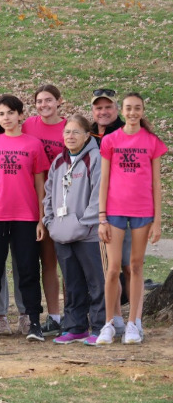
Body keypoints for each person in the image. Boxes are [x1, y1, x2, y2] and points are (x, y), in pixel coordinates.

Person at [0, 94, 50, 342]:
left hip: (26, 216)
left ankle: (34, 323)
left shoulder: (33, 144)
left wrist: (40, 219)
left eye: (10, 113)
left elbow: (41, 184)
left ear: (20, 115)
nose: (6, 118)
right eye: (2, 114)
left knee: (28, 270)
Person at [96, 93, 166, 345]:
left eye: (138, 108)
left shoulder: (152, 142)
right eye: (129, 108)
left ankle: (134, 324)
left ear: (143, 111)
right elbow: (104, 181)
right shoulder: (111, 140)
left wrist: (157, 221)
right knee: (113, 268)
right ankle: (108, 324)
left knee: (135, 266)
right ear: (121, 110)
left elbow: (157, 184)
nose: (133, 112)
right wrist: (101, 217)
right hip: (114, 211)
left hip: (143, 212)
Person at [42, 115, 105, 345]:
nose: (70, 136)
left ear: (88, 135)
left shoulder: (96, 158)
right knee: (72, 283)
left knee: (96, 282)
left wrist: (83, 223)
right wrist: (50, 222)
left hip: (88, 233)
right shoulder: (59, 161)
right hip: (61, 233)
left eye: (76, 132)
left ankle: (99, 327)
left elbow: (99, 194)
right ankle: (75, 327)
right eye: (67, 132)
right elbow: (48, 195)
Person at [22, 84, 67, 336]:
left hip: (66, 201)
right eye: (39, 101)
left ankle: (75, 312)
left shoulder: (69, 126)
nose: (43, 105)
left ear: (59, 101)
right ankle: (54, 315)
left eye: (48, 100)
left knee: (70, 261)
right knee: (47, 262)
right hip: (37, 200)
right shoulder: (28, 125)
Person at [89, 87, 131, 334]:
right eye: (98, 107)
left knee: (128, 265)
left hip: (124, 207)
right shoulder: (91, 135)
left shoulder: (127, 133)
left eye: (108, 107)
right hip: (97, 209)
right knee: (107, 266)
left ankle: (130, 317)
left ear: (117, 109)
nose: (103, 111)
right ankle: (114, 316)